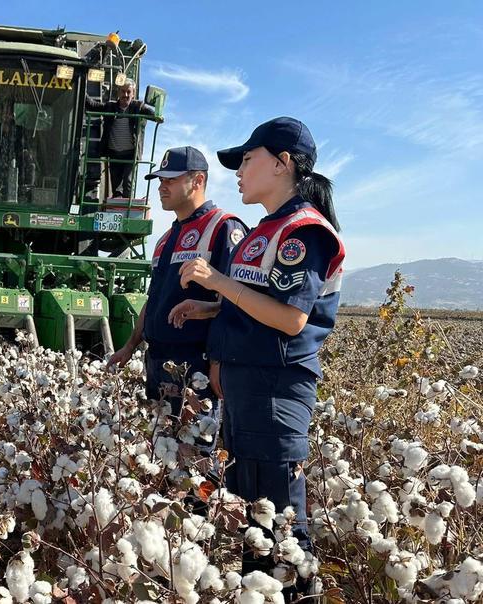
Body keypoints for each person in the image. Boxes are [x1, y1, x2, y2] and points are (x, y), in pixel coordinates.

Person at [172, 117, 345, 585]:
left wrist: (217, 281)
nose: (239, 171)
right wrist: (209, 307)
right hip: (252, 392)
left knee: (283, 525)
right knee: (257, 525)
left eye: (247, 160)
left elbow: (291, 319)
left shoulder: (303, 231)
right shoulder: (268, 229)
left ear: (282, 163)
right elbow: (257, 306)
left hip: (276, 390)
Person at [108, 146, 246, 420]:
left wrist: (218, 361)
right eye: (161, 180)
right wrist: (130, 345)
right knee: (160, 451)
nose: (162, 187)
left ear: (198, 181)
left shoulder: (223, 228)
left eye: (171, 179)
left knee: (195, 454)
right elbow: (154, 299)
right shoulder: (164, 239)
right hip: (157, 361)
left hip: (196, 365)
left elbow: (238, 302)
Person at [86, 79, 159, 198]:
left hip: (130, 153)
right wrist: (80, 82)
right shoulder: (110, 107)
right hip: (114, 153)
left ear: (133, 94)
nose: (125, 95)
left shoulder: (138, 107)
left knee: (128, 182)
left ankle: (126, 208)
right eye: (123, 91)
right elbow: (92, 105)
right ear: (118, 93)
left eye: (128, 92)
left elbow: (150, 113)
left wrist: (157, 115)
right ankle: (116, 207)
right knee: (116, 185)